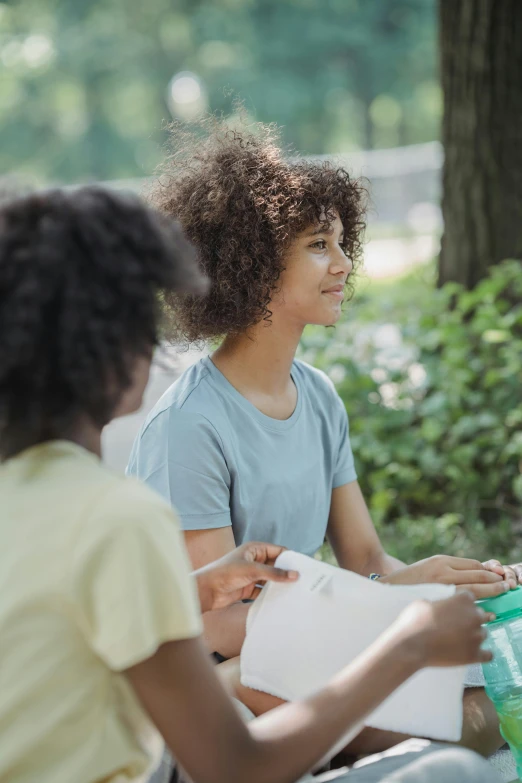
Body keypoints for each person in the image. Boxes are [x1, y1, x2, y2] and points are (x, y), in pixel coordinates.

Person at [0, 186, 500, 783]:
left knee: (474, 709)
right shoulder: (120, 507)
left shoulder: (27, 499)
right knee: (453, 766)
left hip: (180, 730)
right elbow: (235, 765)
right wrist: (404, 639)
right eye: (140, 316)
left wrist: (194, 588)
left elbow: (61, 628)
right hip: (202, 728)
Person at [127, 120, 514, 755]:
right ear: (251, 262)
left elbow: (365, 559)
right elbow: (217, 622)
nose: (343, 264)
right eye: (317, 245)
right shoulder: (189, 426)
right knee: (469, 729)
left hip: (311, 643)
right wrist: (394, 600)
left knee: (495, 689)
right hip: (229, 672)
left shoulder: (319, 396)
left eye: (341, 242)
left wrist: (455, 585)